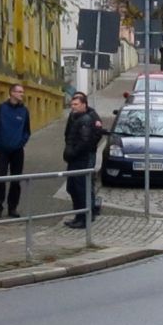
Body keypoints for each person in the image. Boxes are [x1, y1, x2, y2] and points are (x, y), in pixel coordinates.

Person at [61, 91, 107, 228]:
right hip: (74, 158)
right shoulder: (74, 116)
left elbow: (87, 141)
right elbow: (69, 134)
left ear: (84, 104)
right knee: (72, 188)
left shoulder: (89, 118)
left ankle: (86, 216)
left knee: (83, 188)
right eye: (72, 104)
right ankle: (79, 216)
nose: (73, 107)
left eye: (76, 104)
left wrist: (73, 152)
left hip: (83, 158)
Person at [0, 84, 31, 219]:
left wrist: (22, 142)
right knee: (1, 178)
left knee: (16, 180)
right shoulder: (1, 109)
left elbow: (27, 130)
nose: (21, 94)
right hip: (2, 150)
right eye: (19, 92)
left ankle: (13, 207)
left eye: (22, 92)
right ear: (11, 93)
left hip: (17, 150)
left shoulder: (24, 111)